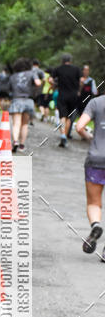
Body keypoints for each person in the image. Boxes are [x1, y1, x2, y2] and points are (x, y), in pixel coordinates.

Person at [75, 91, 105, 256]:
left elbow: (79, 127)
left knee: (94, 202)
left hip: (96, 159)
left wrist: (90, 138)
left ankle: (96, 225)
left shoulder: (96, 103)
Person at [9, 58, 42, 152]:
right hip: (28, 100)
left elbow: (9, 89)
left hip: (17, 100)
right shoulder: (31, 73)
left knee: (16, 123)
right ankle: (22, 145)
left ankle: (15, 141)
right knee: (24, 124)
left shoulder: (13, 76)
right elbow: (38, 83)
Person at [51, 53, 82, 147]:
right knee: (69, 117)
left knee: (62, 116)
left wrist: (54, 86)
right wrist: (78, 91)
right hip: (73, 95)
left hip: (62, 95)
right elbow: (81, 81)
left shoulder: (58, 69)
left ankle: (63, 135)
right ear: (70, 60)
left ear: (62, 60)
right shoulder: (76, 69)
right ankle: (66, 135)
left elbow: (50, 80)